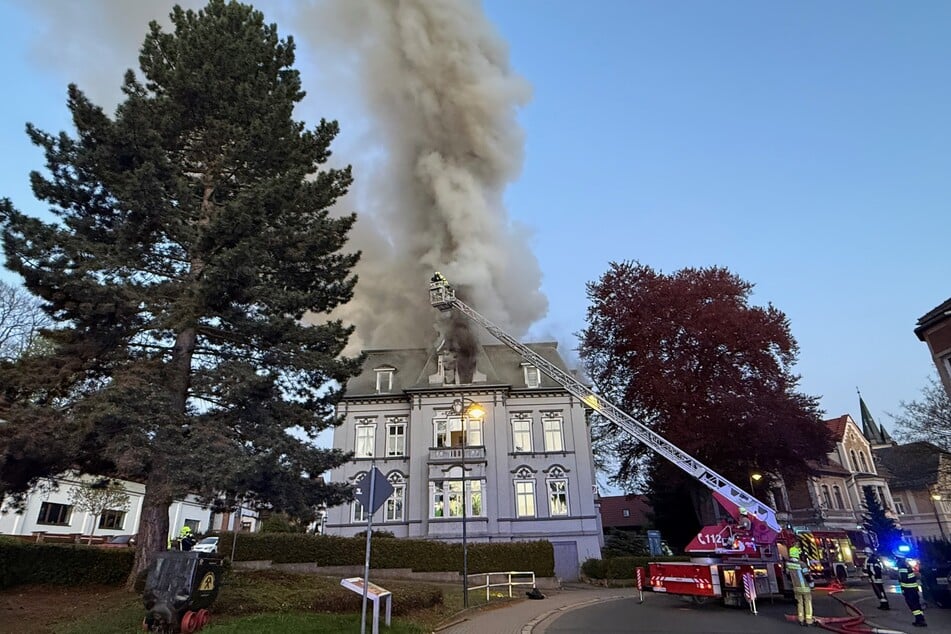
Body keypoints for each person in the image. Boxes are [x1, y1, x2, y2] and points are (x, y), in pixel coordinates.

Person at [895, 548, 927, 627]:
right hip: (913, 588)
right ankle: (920, 619)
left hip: (908, 589)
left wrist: (902, 586)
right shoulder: (905, 563)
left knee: (913, 605)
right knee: (917, 604)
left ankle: (919, 620)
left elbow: (904, 578)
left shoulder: (901, 565)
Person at [787, 545, 814, 627]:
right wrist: (811, 582)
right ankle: (809, 620)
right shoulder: (802, 564)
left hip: (796, 588)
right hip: (805, 587)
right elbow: (806, 575)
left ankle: (801, 619)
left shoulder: (788, 565)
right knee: (807, 602)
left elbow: (788, 575)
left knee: (800, 603)